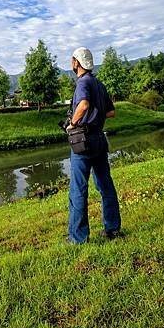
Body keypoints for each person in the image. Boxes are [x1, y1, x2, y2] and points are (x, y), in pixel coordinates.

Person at [66, 47, 122, 244]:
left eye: (72, 60)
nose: (71, 63)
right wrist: (95, 117)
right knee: (105, 185)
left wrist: (73, 123)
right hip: (99, 139)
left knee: (78, 189)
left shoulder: (83, 82)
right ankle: (112, 229)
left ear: (77, 62)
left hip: (83, 141)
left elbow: (83, 105)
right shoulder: (98, 83)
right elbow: (111, 112)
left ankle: (77, 238)